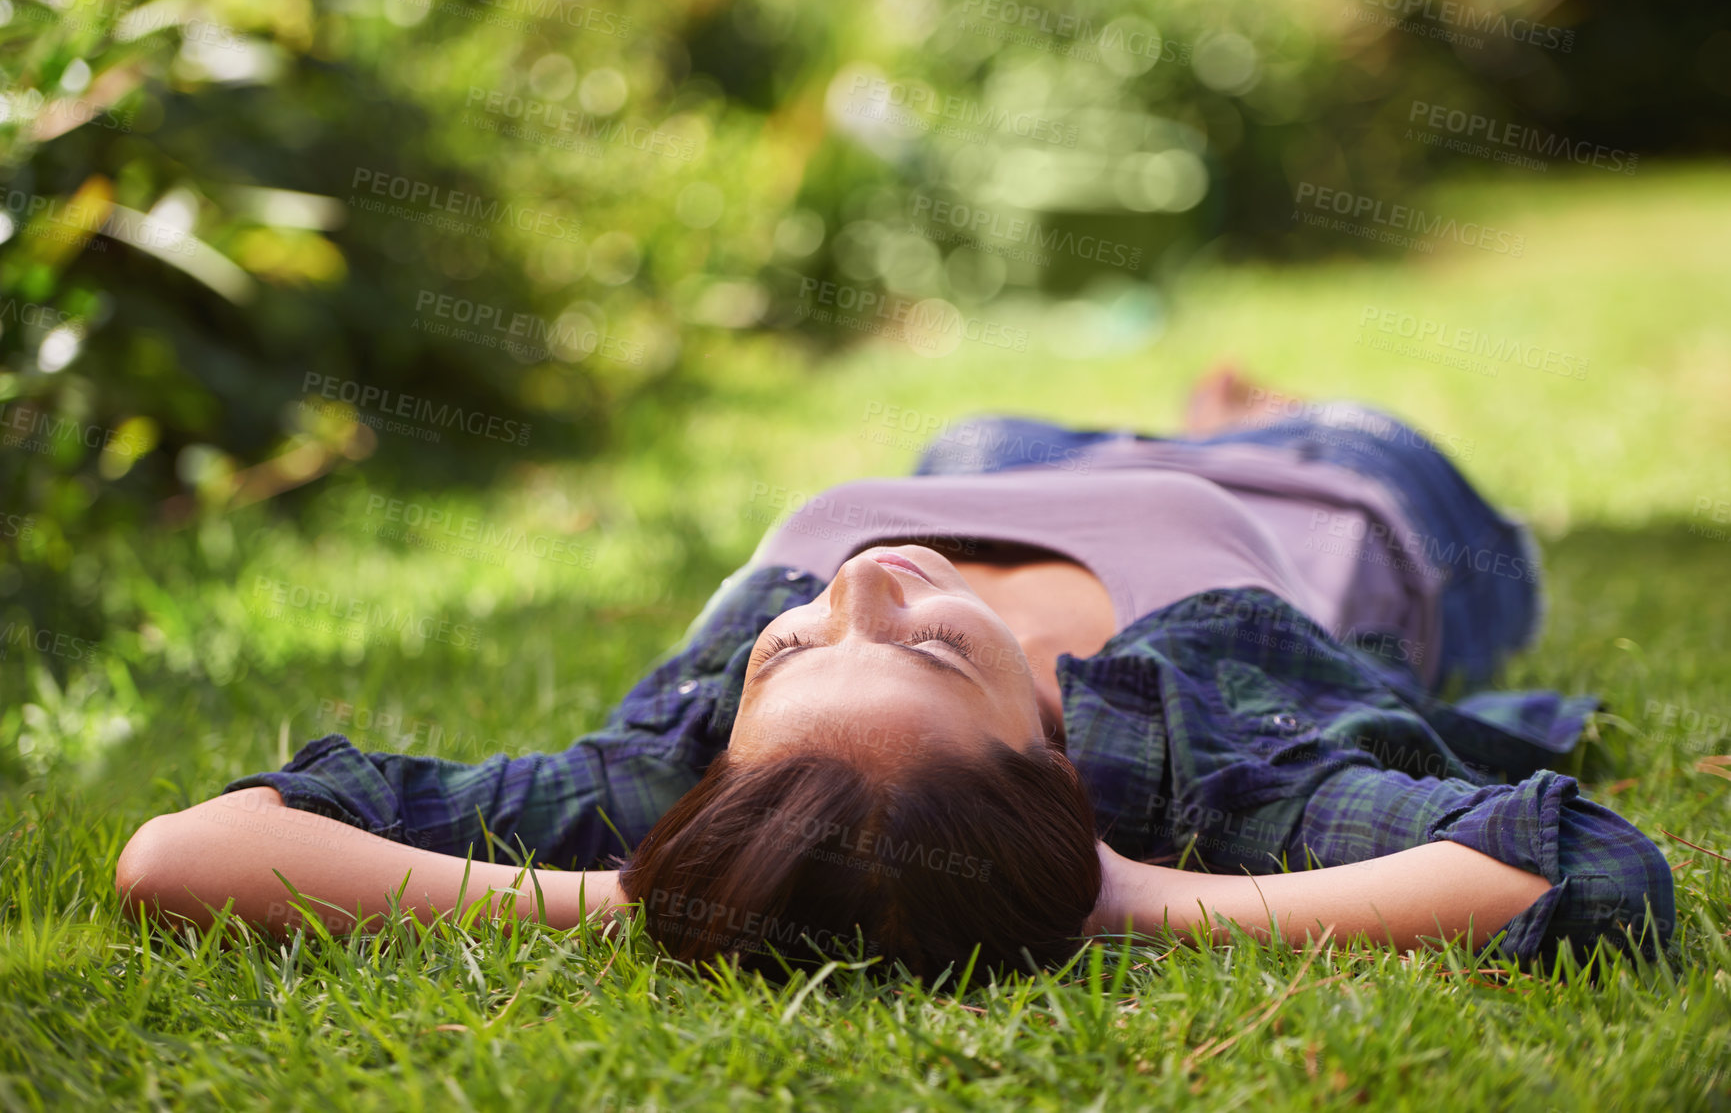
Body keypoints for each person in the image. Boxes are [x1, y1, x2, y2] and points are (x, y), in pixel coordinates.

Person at [115, 370, 1675, 982]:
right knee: (1307, 413)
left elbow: (177, 855)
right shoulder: (1211, 754)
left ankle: (1188, 399)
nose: (860, 584)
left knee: (993, 435)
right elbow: (1586, 875)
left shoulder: (687, 775)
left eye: (785, 649)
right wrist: (1114, 895)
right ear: (1051, 768)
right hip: (1344, 491)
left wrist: (656, 880)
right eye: (930, 650)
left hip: (984, 451)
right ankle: (1228, 405)